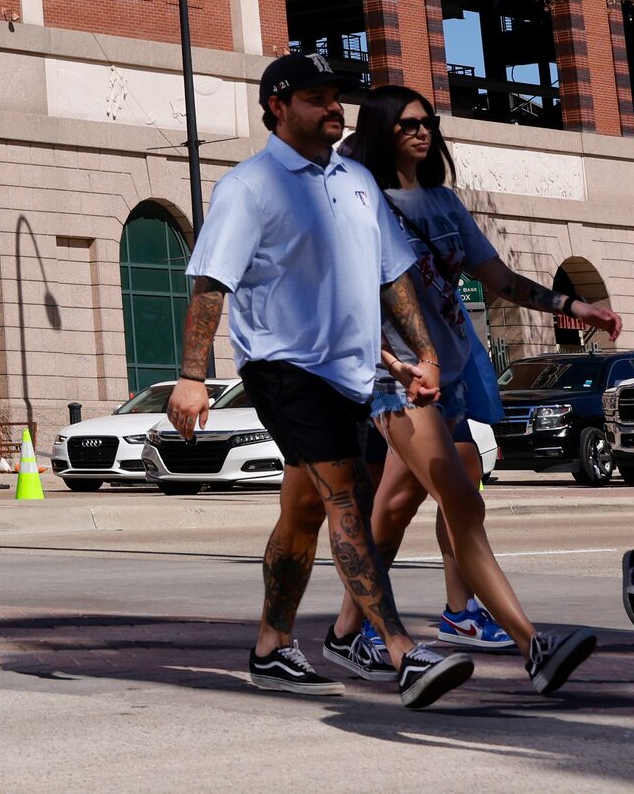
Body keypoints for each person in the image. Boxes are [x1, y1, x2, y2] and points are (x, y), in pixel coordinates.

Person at [169, 53, 469, 708]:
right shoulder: (249, 187)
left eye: (337, 96)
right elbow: (211, 281)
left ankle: (272, 646)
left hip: (354, 373)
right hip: (283, 366)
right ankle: (398, 650)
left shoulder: (358, 180)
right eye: (316, 96)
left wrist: (424, 354)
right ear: (278, 105)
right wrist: (192, 376)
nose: (334, 107)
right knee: (348, 496)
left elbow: (393, 275)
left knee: (304, 507)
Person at [320, 85, 607, 694]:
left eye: (427, 124)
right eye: (406, 126)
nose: (421, 134)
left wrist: (573, 305)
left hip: (446, 374)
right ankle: (535, 647)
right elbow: (343, 300)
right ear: (380, 133)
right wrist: (391, 364)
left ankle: (347, 634)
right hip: (397, 380)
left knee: (393, 512)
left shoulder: (444, 202)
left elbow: (498, 278)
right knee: (461, 497)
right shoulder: (359, 202)